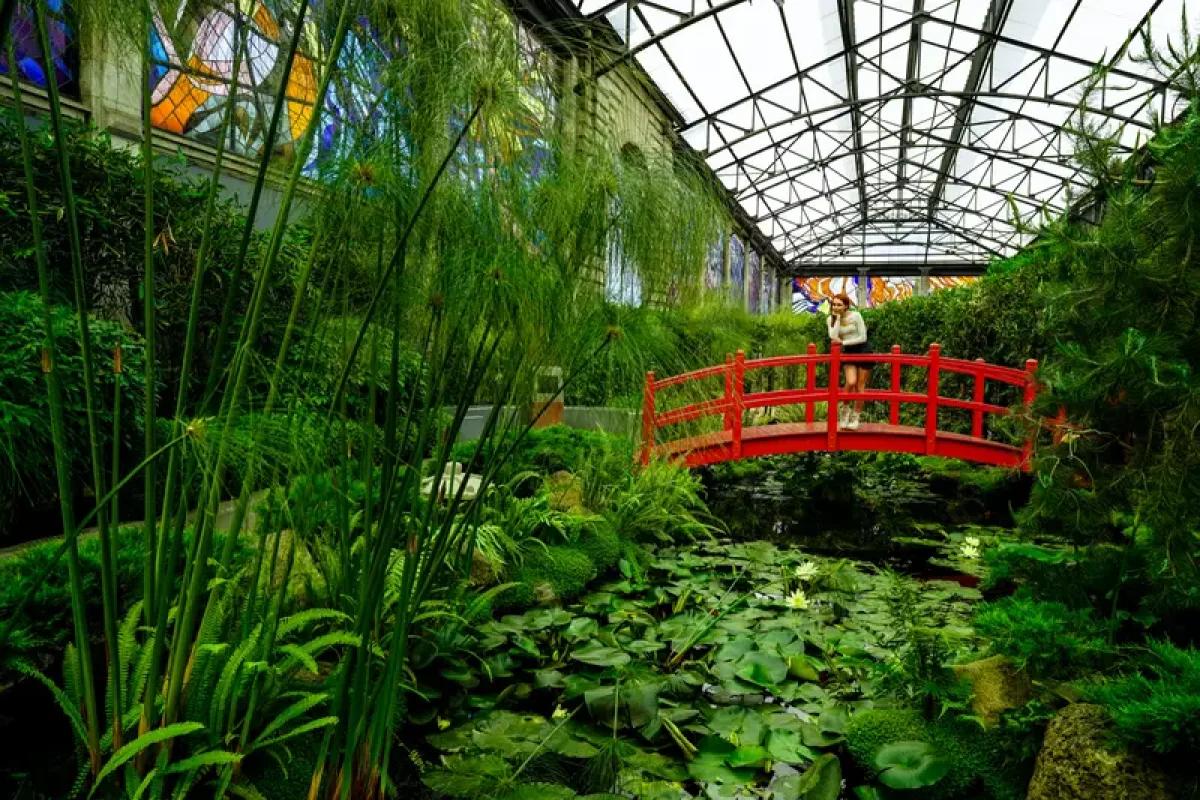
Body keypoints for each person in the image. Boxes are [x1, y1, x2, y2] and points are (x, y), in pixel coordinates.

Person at [827, 293, 872, 430]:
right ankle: (845, 412)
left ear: (846, 306)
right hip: (849, 353)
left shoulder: (856, 316)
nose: (836, 307)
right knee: (850, 382)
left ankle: (855, 417)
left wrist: (844, 342)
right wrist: (838, 319)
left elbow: (863, 337)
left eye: (839, 304)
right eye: (834, 304)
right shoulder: (831, 319)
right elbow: (833, 337)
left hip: (863, 350)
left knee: (860, 386)